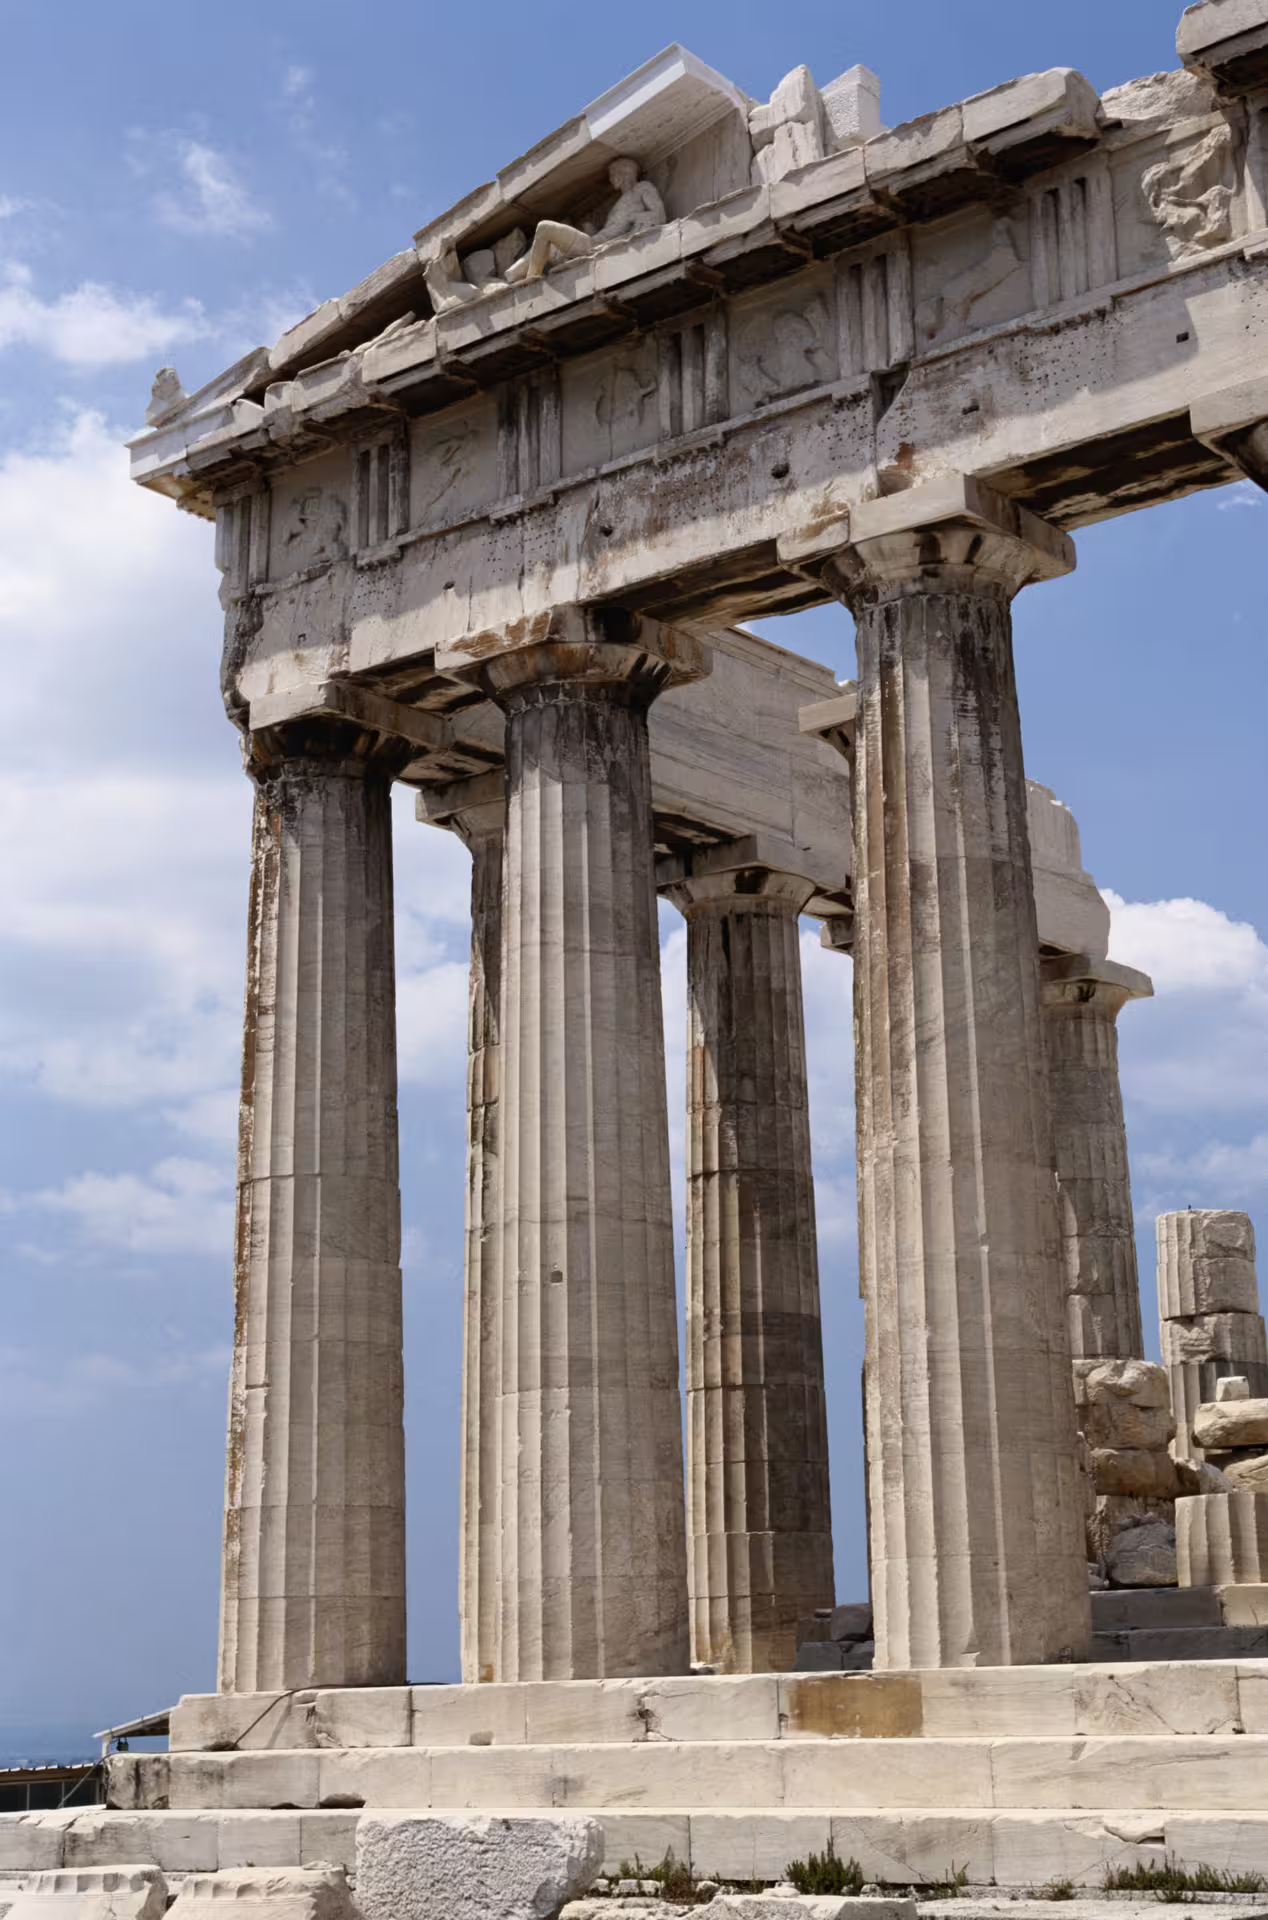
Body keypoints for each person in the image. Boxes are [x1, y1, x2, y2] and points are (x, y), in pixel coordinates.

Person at [504, 158, 665, 283]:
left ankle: (531, 279)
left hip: (592, 246)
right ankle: (511, 275)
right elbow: (611, 232)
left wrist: (634, 217)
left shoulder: (642, 187)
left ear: (625, 173)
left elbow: (658, 215)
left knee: (545, 227)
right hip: (594, 242)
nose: (611, 178)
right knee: (552, 243)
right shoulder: (620, 202)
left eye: (613, 173)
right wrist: (590, 228)